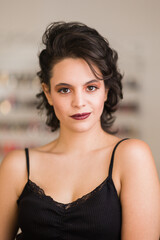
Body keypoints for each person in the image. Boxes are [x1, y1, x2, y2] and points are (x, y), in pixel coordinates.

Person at [0, 21, 159, 240]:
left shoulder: (131, 156)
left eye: (91, 87)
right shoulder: (17, 166)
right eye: (64, 90)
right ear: (47, 93)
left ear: (106, 90)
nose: (79, 102)